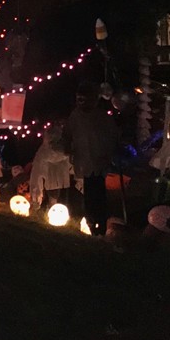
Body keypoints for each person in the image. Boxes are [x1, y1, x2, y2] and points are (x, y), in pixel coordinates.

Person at [62, 82, 118, 236]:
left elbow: (111, 136)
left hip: (99, 160)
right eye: (79, 100)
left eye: (85, 99)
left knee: (98, 191)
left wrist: (108, 153)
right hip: (84, 160)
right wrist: (68, 147)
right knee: (88, 192)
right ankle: (91, 222)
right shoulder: (75, 116)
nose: (82, 103)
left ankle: (100, 222)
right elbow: (68, 133)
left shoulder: (101, 117)